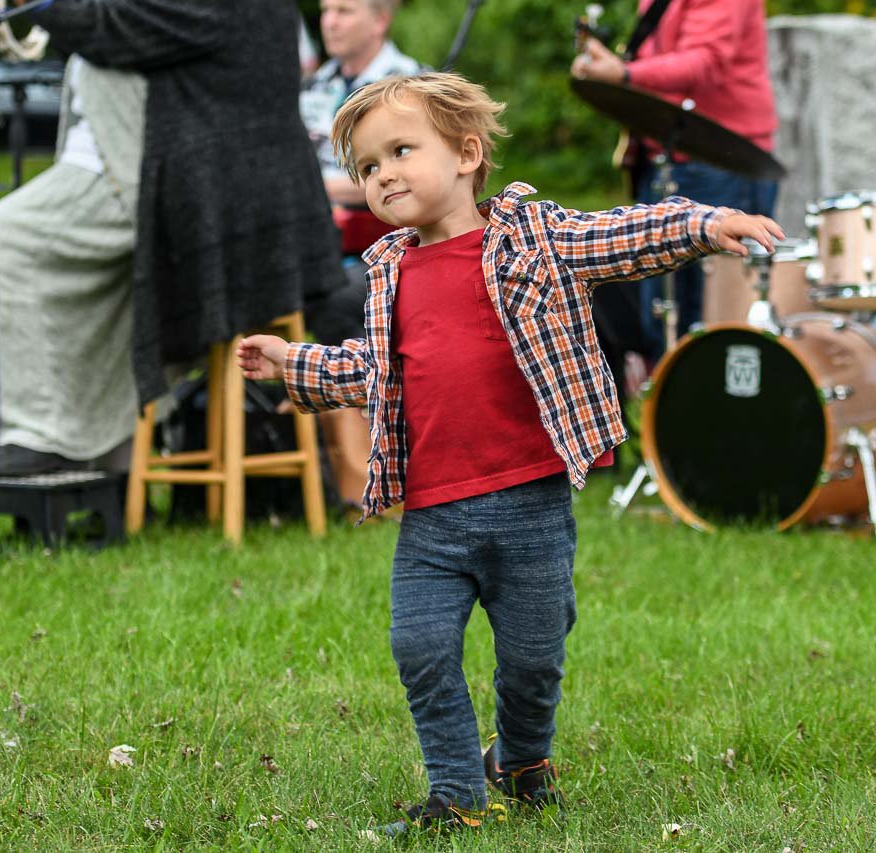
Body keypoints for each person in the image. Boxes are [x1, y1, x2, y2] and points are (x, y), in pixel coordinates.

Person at [236, 72, 784, 836]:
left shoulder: (531, 234)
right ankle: (456, 793)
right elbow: (372, 369)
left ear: (465, 153)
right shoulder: (387, 270)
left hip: (529, 500)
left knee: (532, 659)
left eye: (400, 150)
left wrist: (703, 223)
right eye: (367, 167)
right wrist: (293, 362)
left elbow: (617, 235)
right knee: (421, 649)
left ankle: (524, 758)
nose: (383, 174)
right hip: (431, 514)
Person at [0, 1, 344, 475]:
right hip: (191, 185)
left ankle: (36, 438)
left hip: (211, 204)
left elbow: (108, 25)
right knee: (19, 242)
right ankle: (95, 443)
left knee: (4, 240)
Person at [570, 0, 779, 405]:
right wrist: (617, 65)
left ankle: (719, 435)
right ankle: (670, 433)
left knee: (715, 321)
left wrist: (624, 73)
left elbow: (705, 63)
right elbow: (663, 53)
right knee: (664, 318)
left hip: (722, 159)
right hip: (669, 153)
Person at [300, 0, 422, 346]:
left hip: (390, 240)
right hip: (311, 242)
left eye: (344, 11)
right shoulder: (310, 88)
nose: (330, 23)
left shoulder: (414, 86)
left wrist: (320, 191)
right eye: (326, 11)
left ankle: (359, 389)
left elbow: (415, 174)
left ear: (380, 20)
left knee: (334, 298)